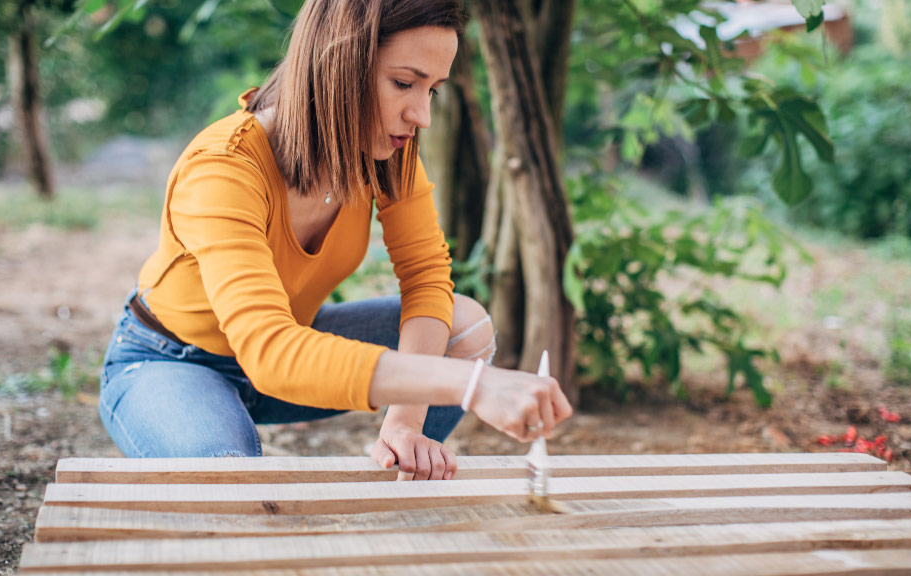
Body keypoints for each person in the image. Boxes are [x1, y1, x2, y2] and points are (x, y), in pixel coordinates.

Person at [98, 0, 573, 481]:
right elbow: (269, 351)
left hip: (286, 349)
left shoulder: (387, 151)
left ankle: (400, 475)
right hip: (173, 359)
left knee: (465, 327)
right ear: (338, 63)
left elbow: (426, 278)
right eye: (404, 83)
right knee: (229, 480)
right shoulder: (222, 167)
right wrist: (470, 386)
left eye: (432, 89)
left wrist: (406, 421)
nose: (422, 115)